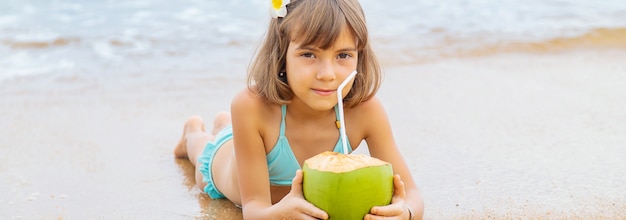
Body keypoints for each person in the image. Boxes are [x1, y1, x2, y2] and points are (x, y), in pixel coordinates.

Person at [174, 0, 424, 219]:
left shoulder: (366, 111)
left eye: (343, 56)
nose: (327, 75)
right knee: (205, 154)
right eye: (309, 54)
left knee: (226, 130)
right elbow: (253, 209)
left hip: (249, 141)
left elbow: (412, 195)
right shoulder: (251, 106)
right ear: (282, 54)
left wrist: (406, 212)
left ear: (359, 55)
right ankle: (193, 134)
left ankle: (222, 124)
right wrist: (279, 214)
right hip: (225, 167)